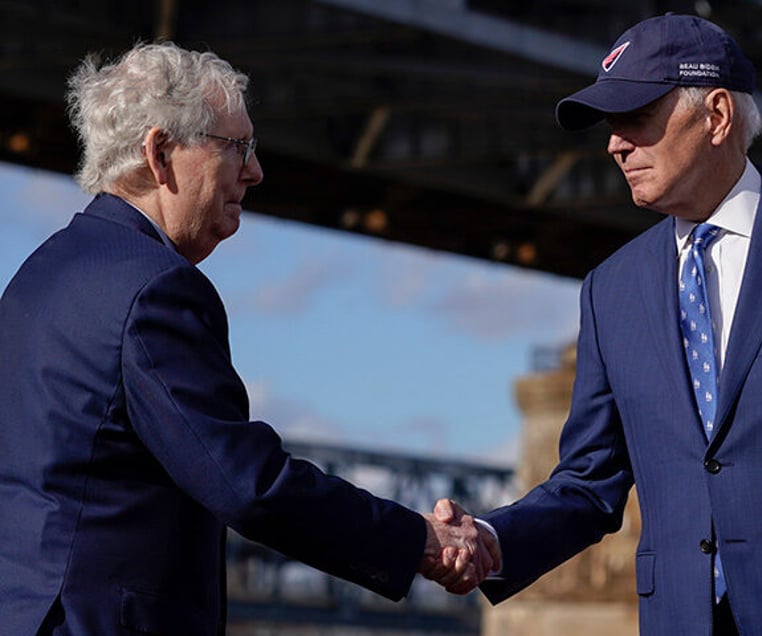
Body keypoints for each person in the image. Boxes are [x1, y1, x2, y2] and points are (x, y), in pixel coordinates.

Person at [0, 42, 497, 635]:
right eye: (236, 147)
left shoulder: (34, 278)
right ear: (160, 153)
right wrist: (417, 537)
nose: (256, 171)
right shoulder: (157, 290)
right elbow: (247, 485)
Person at [432, 12, 762, 635]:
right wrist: (490, 537)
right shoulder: (611, 289)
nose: (614, 144)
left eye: (635, 119)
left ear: (717, 114)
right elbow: (588, 483)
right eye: (609, 125)